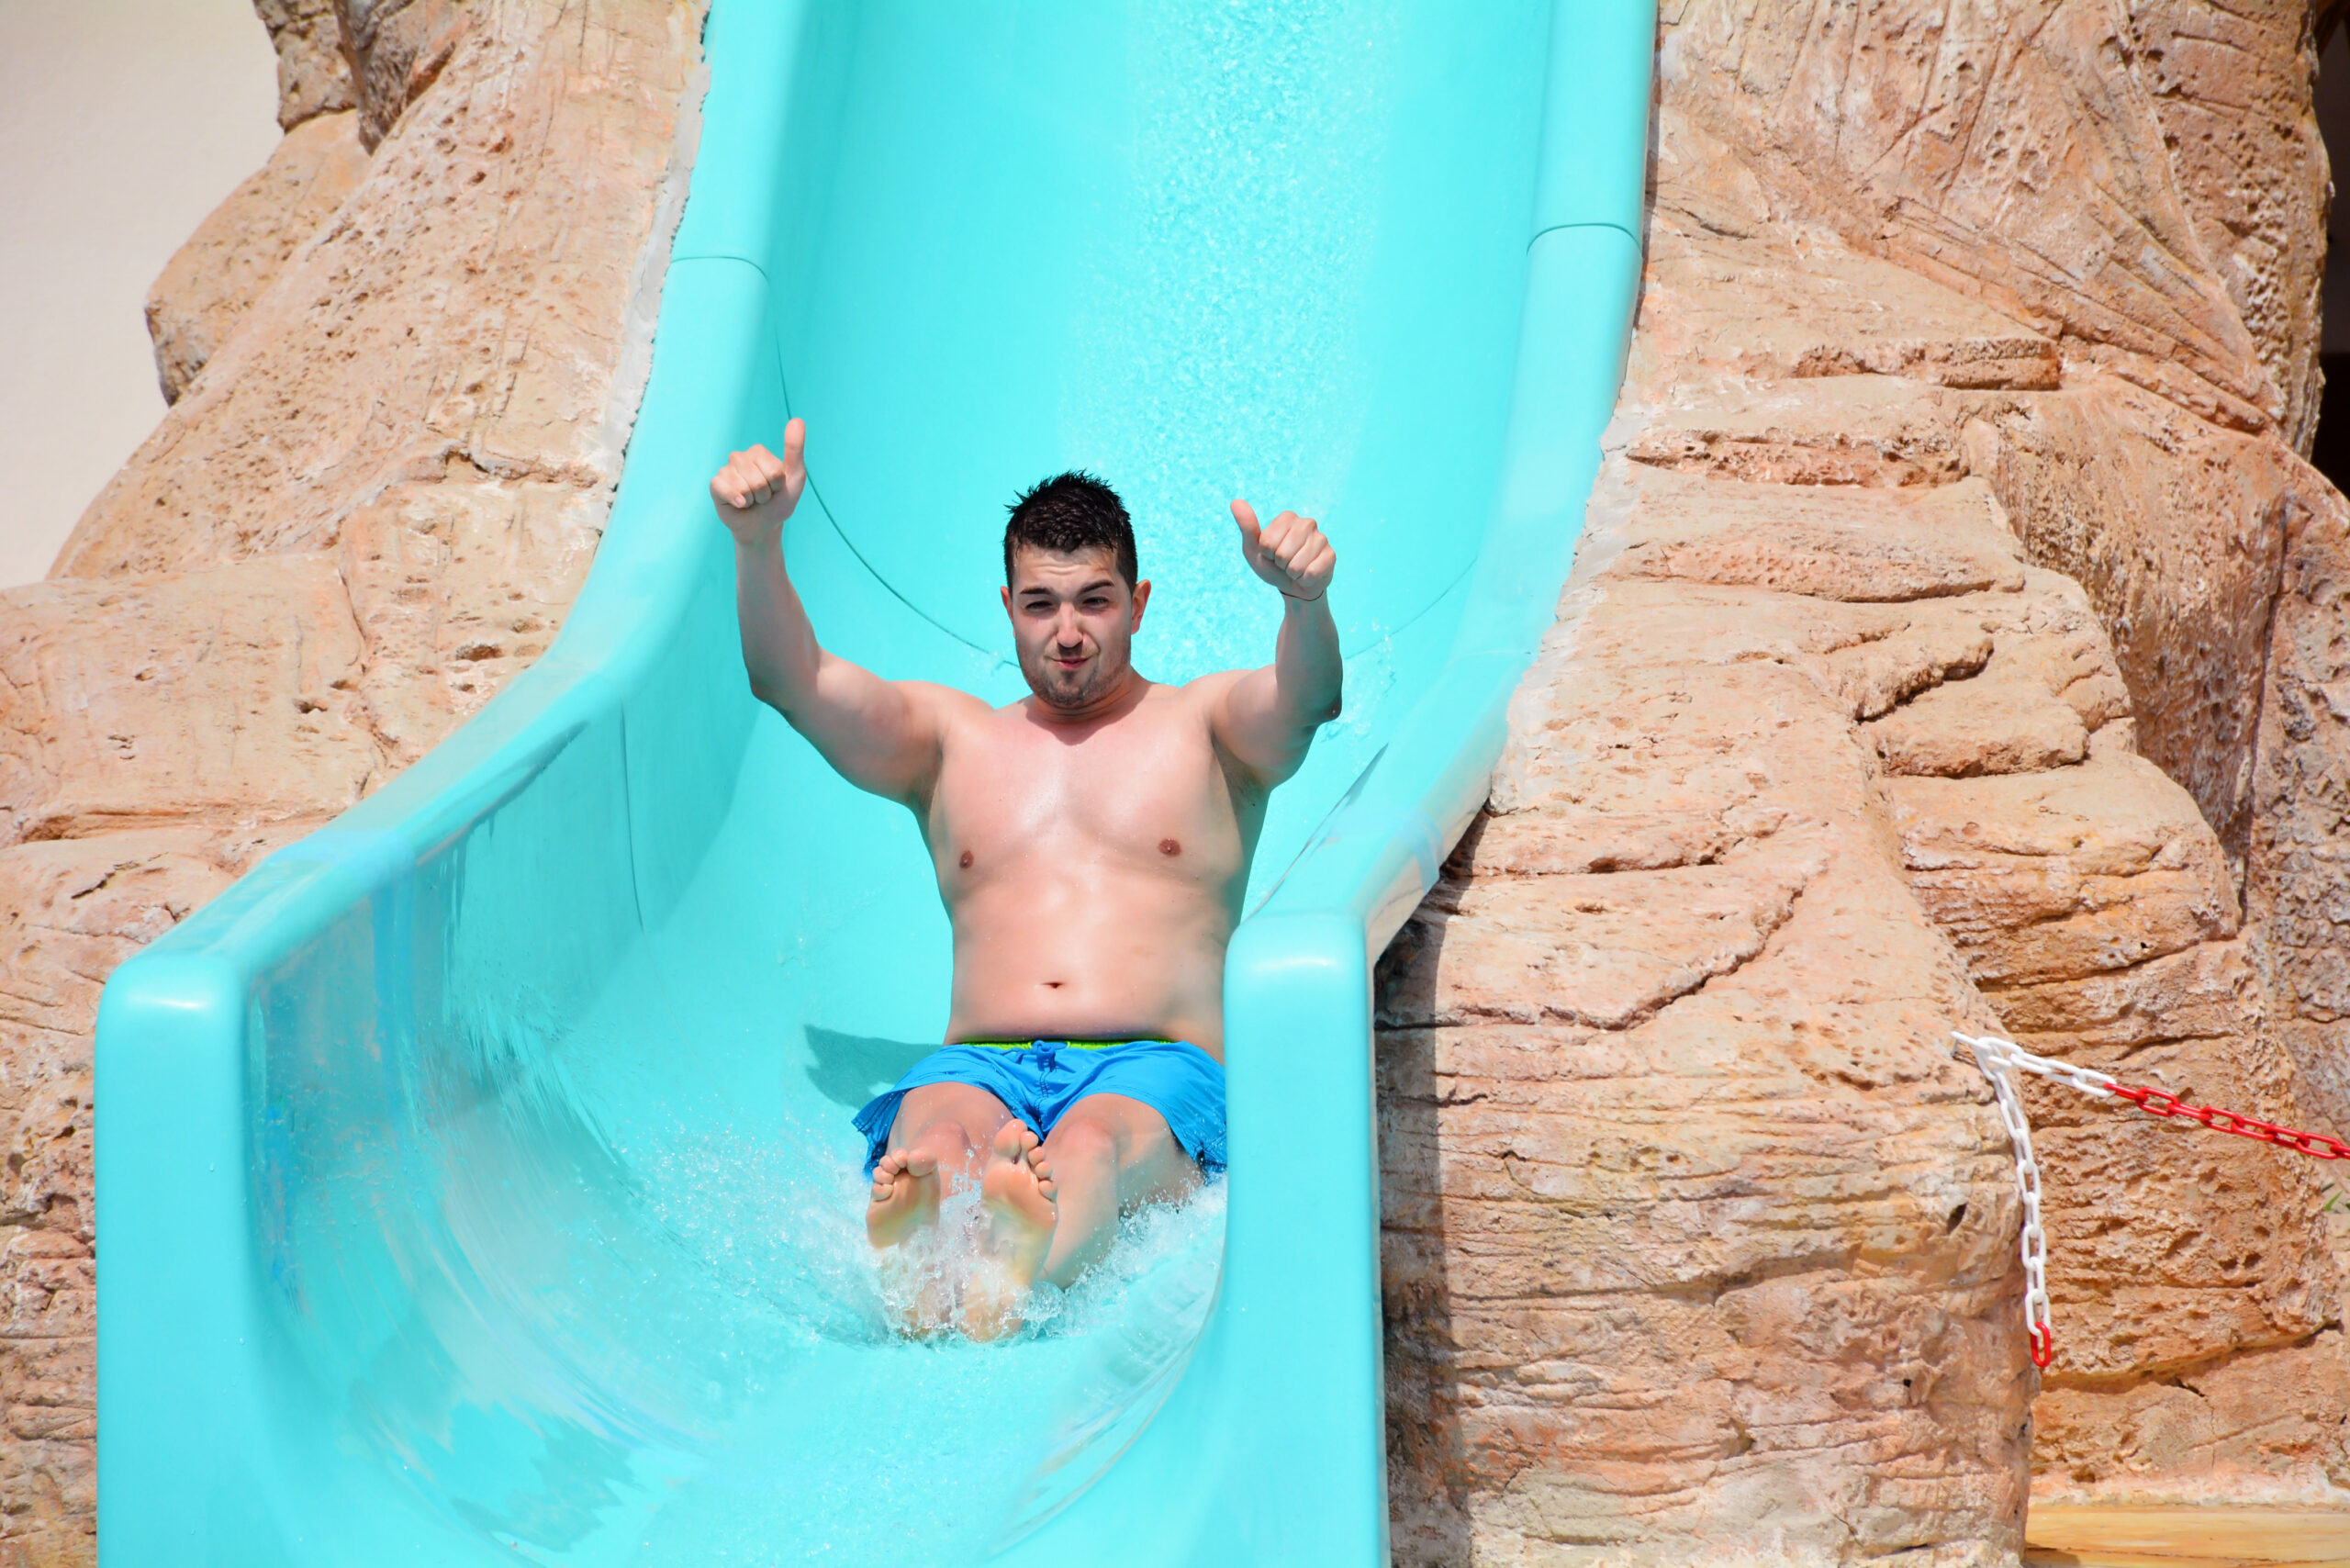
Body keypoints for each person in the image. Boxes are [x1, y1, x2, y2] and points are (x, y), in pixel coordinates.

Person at [711, 418, 1339, 1338]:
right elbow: (792, 680)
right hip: (979, 1058)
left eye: (1095, 600)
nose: (1070, 631)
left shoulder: (1206, 728)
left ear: (1139, 601)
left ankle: (1009, 1277)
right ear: (1006, 605)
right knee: (937, 1142)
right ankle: (933, 1272)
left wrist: (1304, 605)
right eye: (1042, 604)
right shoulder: (948, 741)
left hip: (1151, 1068)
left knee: (1086, 1146)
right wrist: (757, 545)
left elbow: (1305, 699)